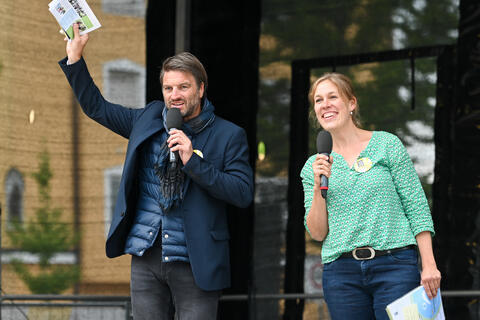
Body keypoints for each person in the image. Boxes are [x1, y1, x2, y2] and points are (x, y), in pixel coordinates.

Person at [59, 23, 254, 320]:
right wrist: (75, 59)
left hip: (196, 259)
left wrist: (193, 161)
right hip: (146, 254)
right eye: (168, 88)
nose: (175, 95)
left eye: (183, 87)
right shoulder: (148, 118)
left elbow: (242, 193)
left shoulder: (229, 135)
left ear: (201, 89)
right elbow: (97, 108)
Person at [300, 72, 441, 319]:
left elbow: (416, 207)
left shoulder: (387, 144)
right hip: (341, 274)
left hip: (395, 266)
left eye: (333, 97)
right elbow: (318, 233)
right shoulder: (314, 165)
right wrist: (317, 187)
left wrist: (429, 264)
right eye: (319, 100)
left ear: (351, 103)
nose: (325, 105)